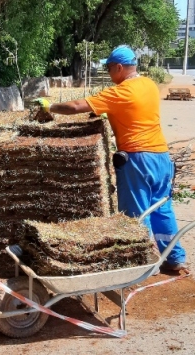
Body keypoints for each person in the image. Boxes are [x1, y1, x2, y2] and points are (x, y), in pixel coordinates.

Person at [36, 45, 187, 272]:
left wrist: (50, 107)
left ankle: (145, 263)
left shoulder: (120, 93)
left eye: (108, 69)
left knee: (136, 215)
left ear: (118, 67)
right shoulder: (149, 85)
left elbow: (76, 106)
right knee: (162, 209)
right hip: (162, 158)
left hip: (138, 160)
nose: (108, 74)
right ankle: (175, 258)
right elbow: (130, 111)